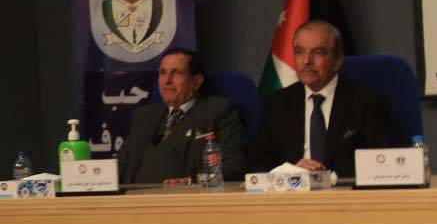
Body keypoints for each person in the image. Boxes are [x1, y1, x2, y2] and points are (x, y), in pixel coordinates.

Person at [253, 20, 392, 178]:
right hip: (292, 190)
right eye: (299, 52)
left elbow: (381, 164)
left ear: (337, 60)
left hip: (344, 191)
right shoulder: (276, 104)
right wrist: (290, 172)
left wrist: (326, 178)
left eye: (318, 52)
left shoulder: (367, 102)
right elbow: (259, 165)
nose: (306, 60)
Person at [117, 47, 248, 184]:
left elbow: (235, 165)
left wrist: (195, 181)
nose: (167, 81)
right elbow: (121, 166)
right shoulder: (144, 116)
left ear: (197, 81)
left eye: (176, 73)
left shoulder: (218, 111)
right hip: (135, 195)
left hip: (187, 194)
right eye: (163, 73)